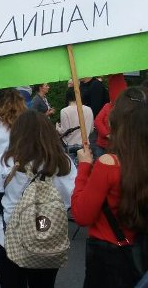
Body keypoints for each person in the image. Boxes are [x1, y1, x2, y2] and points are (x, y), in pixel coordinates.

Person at [0, 110, 76, 288]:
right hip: (48, 240)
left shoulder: (7, 160)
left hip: (9, 240)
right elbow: (70, 200)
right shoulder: (65, 163)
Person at [72, 87, 148, 288]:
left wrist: (84, 167)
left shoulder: (109, 164)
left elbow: (81, 215)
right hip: (141, 253)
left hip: (108, 260)